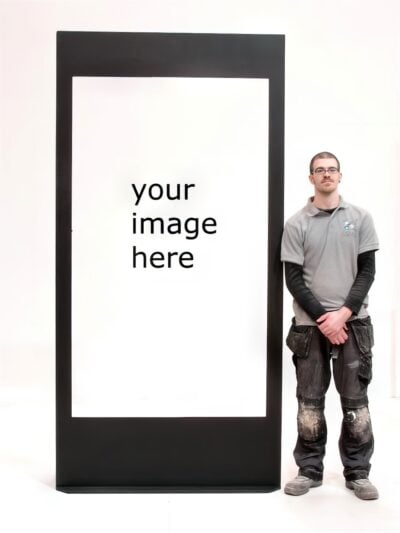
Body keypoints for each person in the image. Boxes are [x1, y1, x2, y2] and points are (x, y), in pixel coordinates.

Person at [281, 151, 379, 500]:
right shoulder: (297, 223)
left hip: (354, 325)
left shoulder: (360, 218)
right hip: (310, 327)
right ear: (311, 178)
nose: (326, 174)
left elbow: (367, 271)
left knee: (356, 403)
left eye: (331, 169)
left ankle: (358, 473)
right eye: (319, 170)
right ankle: (309, 470)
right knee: (309, 402)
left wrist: (343, 314)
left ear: (340, 175)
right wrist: (326, 320)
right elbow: (293, 278)